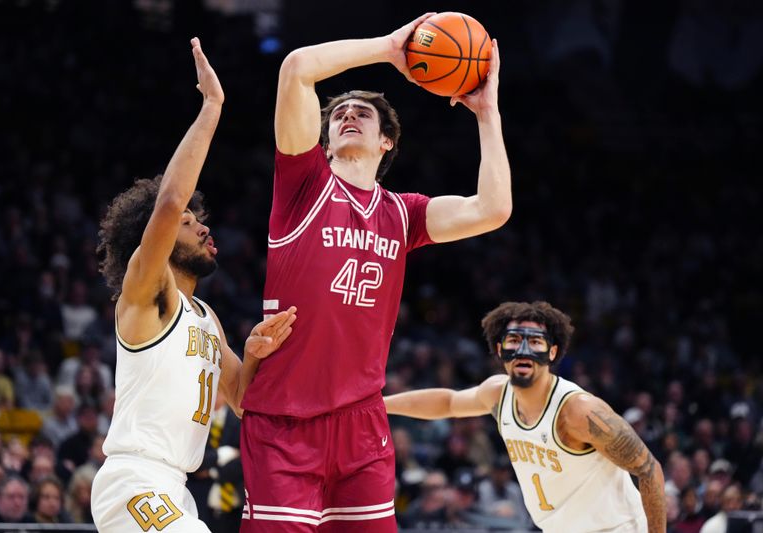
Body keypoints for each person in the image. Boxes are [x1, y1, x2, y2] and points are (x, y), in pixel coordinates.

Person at [239, 13, 513, 532]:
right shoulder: (303, 187)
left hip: (362, 422)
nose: (348, 116)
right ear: (321, 140)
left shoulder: (402, 214)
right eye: (338, 113)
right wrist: (390, 48)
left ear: (387, 141)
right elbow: (297, 68)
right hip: (284, 420)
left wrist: (487, 113)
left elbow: (493, 209)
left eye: (363, 113)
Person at [90, 38, 297, 533]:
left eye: (199, 220)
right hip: (134, 481)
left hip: (175, 488)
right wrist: (212, 108)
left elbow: (242, 401)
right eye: (188, 222)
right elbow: (166, 203)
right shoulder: (145, 296)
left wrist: (251, 353)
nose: (203, 227)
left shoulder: (204, 316)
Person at [385, 301, 666, 532]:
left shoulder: (578, 412)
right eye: (514, 340)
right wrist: (380, 405)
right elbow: (448, 402)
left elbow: (649, 469)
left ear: (552, 352)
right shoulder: (497, 393)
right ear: (499, 350)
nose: (524, 350)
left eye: (535, 342)